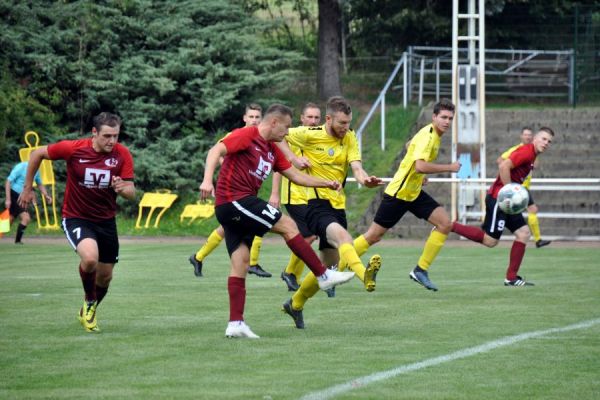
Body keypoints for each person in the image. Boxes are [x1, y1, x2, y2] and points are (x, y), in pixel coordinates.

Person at [199, 103, 355, 339]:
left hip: (239, 206)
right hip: (234, 200)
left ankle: (235, 323)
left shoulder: (272, 150)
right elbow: (215, 151)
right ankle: (323, 275)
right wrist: (207, 181)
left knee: (240, 263)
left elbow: (295, 176)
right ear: (273, 123)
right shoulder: (247, 135)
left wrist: (326, 183)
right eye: (286, 127)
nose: (287, 132)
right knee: (289, 225)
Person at [18, 112, 135, 332]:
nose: (112, 141)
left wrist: (123, 188)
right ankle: (90, 303)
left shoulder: (122, 155)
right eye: (107, 136)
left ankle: (87, 310)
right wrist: (27, 188)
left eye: (116, 136)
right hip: (76, 217)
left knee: (106, 276)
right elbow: (36, 154)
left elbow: (131, 191)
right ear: (94, 133)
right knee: (90, 259)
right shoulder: (73, 149)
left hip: (106, 221)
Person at [278, 96, 383, 329]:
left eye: (348, 123)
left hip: (337, 205)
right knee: (344, 239)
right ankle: (363, 275)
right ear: (328, 119)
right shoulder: (310, 134)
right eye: (341, 123)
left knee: (327, 267)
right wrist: (294, 158)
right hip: (315, 204)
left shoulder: (350, 137)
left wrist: (365, 180)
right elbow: (279, 136)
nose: (345, 128)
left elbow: (356, 166)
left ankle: (294, 304)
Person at [351, 99, 461, 292]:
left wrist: (419, 175)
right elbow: (419, 165)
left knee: (444, 223)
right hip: (399, 194)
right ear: (434, 117)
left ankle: (421, 270)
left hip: (413, 192)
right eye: (443, 117)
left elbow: (410, 144)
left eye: (450, 118)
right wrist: (449, 167)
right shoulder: (429, 137)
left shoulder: (430, 132)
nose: (447, 121)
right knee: (373, 236)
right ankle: (334, 268)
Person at [452, 127, 554, 286]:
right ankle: (449, 225)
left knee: (523, 233)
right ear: (535, 138)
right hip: (499, 199)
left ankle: (511, 278)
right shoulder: (526, 152)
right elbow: (503, 166)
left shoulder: (533, 155)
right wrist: (509, 191)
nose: (546, 143)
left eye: (549, 141)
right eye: (544, 139)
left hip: (508, 202)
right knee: (490, 241)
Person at [189, 103, 273, 278]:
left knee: (226, 228)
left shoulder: (262, 139)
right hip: (231, 192)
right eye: (251, 117)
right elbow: (217, 152)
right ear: (244, 118)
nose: (254, 120)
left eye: (257, 117)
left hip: (247, 193)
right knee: (259, 222)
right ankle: (253, 263)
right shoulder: (237, 134)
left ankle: (198, 257)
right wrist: (220, 174)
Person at [272, 102, 321, 292]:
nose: (313, 121)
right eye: (309, 117)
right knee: (308, 236)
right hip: (294, 194)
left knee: (311, 236)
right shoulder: (291, 136)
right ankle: (292, 272)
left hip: (312, 194)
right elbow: (279, 166)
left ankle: (293, 274)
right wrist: (275, 193)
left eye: (316, 117)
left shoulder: (320, 137)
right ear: (301, 118)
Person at [497, 127, 551, 248]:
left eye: (529, 135)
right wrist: (508, 183)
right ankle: (537, 239)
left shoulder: (533, 151)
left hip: (523, 187)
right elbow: (500, 160)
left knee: (532, 210)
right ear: (521, 136)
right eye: (525, 135)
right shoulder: (518, 149)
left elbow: (535, 166)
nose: (527, 137)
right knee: (531, 210)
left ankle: (537, 239)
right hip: (517, 188)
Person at [5, 161, 52, 244]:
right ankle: (17, 241)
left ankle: (15, 240)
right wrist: (8, 199)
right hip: (15, 194)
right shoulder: (21, 167)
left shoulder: (36, 170)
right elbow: (8, 181)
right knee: (26, 218)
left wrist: (46, 195)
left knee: (10, 219)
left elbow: (39, 184)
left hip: (23, 197)